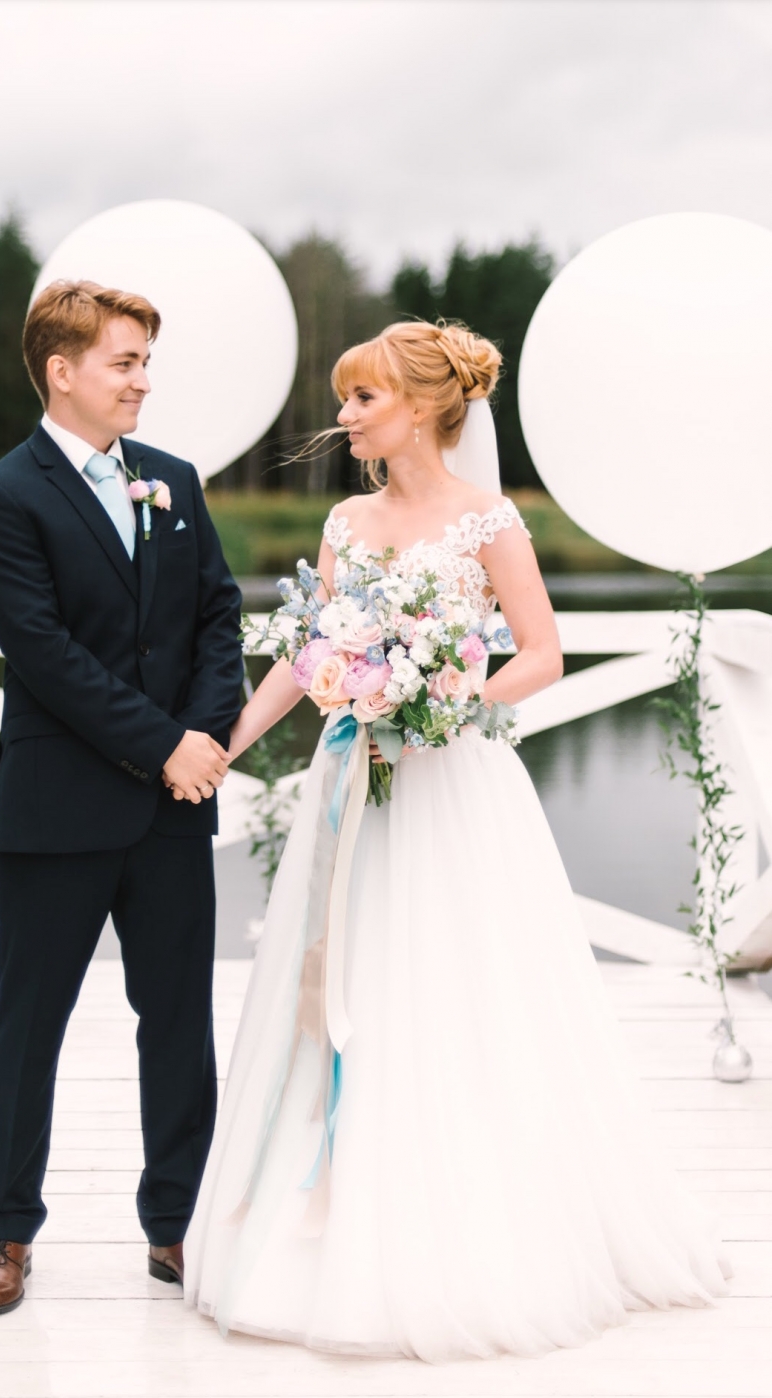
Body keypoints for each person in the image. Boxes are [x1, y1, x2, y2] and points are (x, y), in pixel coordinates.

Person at [183, 320, 729, 1361]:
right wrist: (228, 745)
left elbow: (543, 653)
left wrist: (443, 701)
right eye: (344, 398)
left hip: (451, 781)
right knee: (346, 983)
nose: (344, 416)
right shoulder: (346, 523)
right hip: (352, 780)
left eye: (363, 399)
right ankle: (323, 1220)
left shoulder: (488, 519)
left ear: (425, 407)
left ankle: (470, 1233)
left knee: (455, 984)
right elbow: (308, 655)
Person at [0, 280, 243, 1315]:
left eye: (145, 361)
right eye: (125, 362)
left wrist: (204, 739)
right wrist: (165, 744)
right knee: (29, 1023)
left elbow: (218, 616)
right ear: (61, 370)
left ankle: (178, 1224)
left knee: (177, 1023)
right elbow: (44, 653)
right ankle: (4, 1232)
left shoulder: (173, 480)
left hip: (173, 809)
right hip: (57, 811)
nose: (142, 381)